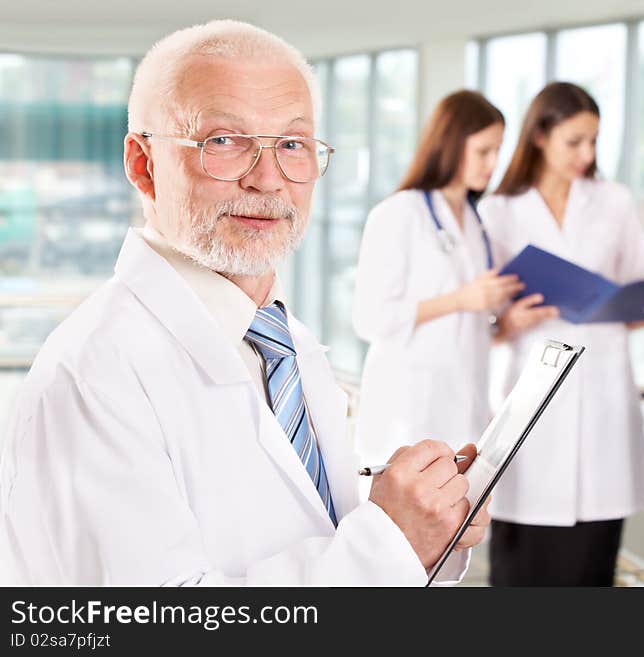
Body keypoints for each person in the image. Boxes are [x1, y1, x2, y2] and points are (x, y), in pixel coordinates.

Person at [0, 20, 488, 586]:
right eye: (224, 142)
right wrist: (387, 543)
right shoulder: (92, 375)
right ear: (143, 164)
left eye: (291, 144)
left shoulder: (284, 342)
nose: (268, 180)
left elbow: (315, 531)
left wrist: (419, 534)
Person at [479, 82, 644, 586]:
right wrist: (507, 322)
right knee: (518, 567)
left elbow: (626, 298)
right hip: (529, 396)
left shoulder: (613, 201)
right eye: (574, 141)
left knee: (591, 567)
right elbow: (480, 321)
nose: (587, 154)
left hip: (601, 397)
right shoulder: (498, 211)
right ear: (539, 136)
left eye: (594, 141)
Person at [352, 91, 528, 464]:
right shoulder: (399, 213)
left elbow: (470, 325)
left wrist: (503, 322)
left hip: (466, 406)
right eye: (483, 151)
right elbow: (370, 319)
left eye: (498, 150)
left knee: (465, 516)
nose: (493, 163)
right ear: (450, 144)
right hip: (409, 408)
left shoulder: (475, 220)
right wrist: (463, 299)